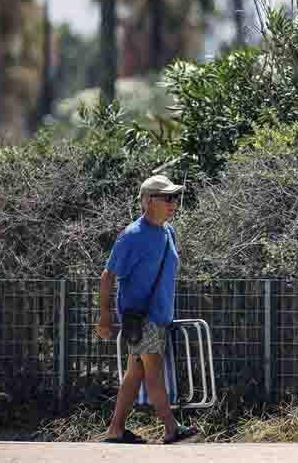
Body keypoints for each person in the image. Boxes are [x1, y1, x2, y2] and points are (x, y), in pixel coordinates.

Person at [96, 174, 198, 445]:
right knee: (153, 372)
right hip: (143, 319)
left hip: (159, 316)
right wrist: (105, 316)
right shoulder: (132, 236)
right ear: (148, 201)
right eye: (167, 198)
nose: (172, 203)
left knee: (135, 374)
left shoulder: (168, 232)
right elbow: (108, 276)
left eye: (174, 198)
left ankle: (116, 430)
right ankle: (171, 428)